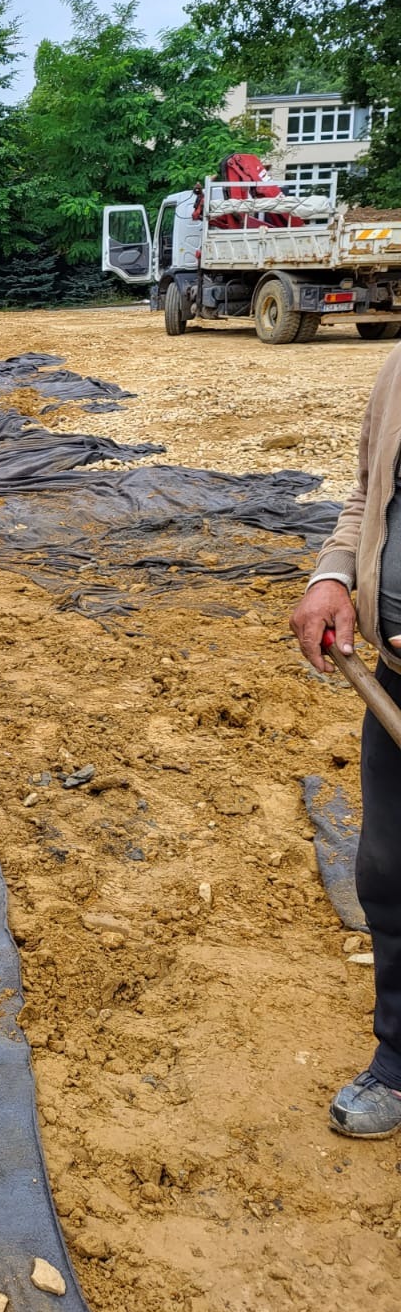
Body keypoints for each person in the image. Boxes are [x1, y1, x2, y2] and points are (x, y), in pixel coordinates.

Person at [291, 351, 401, 1137]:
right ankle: (398, 1064)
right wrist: (333, 574)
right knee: (388, 875)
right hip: (393, 679)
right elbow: (371, 494)